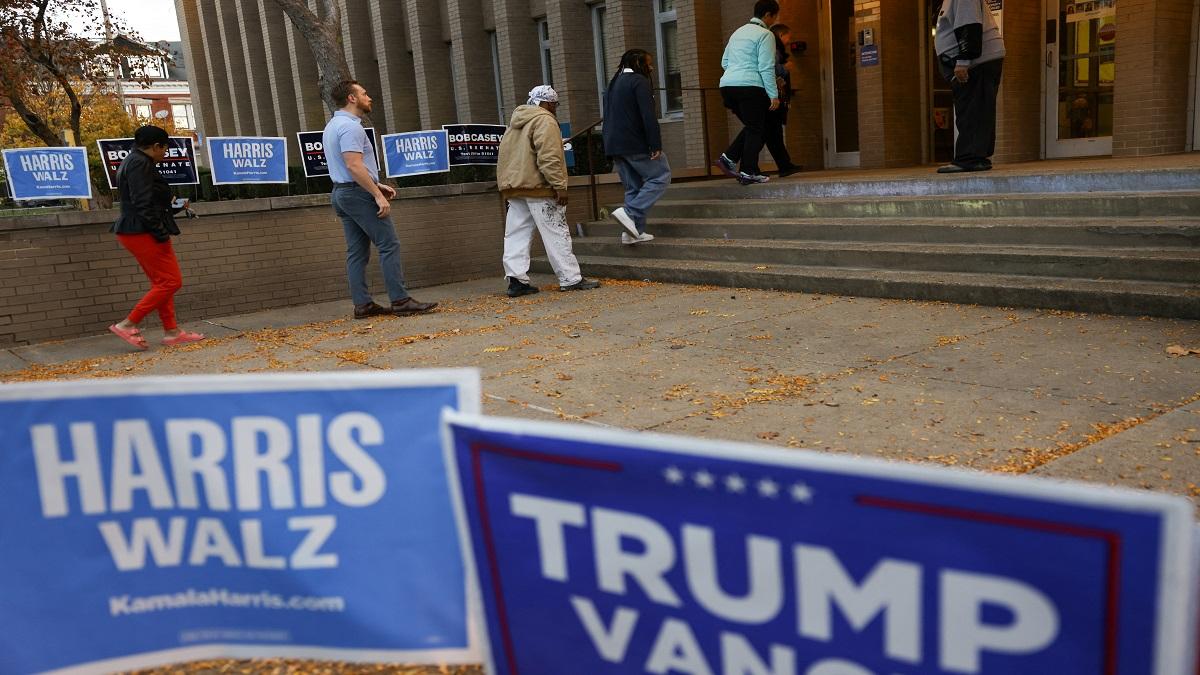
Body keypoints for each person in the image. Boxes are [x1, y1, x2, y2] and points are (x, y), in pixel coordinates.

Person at [324, 79, 437, 318]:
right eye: (364, 93)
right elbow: (353, 165)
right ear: (352, 98)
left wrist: (376, 184)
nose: (369, 97)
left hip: (341, 193)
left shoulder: (333, 125)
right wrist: (376, 195)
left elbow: (349, 167)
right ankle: (400, 300)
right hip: (357, 194)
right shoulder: (351, 127)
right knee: (389, 245)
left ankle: (362, 305)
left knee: (356, 252)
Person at [497, 85, 600, 297]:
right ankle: (570, 278)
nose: (555, 108)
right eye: (555, 104)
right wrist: (559, 186)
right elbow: (549, 157)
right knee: (556, 231)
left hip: (515, 187)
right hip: (539, 187)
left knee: (516, 234)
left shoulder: (515, 123)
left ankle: (516, 280)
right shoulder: (545, 120)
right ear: (548, 103)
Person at [108, 125, 204, 350]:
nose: (166, 153)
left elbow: (146, 200)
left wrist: (173, 206)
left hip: (136, 230)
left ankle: (172, 332)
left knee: (163, 284)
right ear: (155, 146)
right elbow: (143, 203)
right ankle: (127, 324)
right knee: (171, 281)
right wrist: (160, 232)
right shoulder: (141, 163)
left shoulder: (134, 161)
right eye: (165, 148)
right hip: (143, 231)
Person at [602, 49, 671, 245]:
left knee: (633, 187)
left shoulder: (614, 84)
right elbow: (647, 115)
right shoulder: (638, 82)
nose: (651, 67)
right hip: (635, 142)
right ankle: (629, 213)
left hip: (614, 144)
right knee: (660, 177)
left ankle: (632, 233)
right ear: (638, 64)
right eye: (648, 63)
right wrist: (655, 144)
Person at [934, 0, 1005, 173]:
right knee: (977, 108)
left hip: (975, 62)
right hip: (977, 62)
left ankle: (970, 158)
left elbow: (969, 24)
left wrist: (963, 60)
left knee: (973, 109)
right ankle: (977, 157)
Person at [715, 0, 781, 185]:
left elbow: (724, 62)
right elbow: (766, 67)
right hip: (750, 86)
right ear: (768, 15)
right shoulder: (765, 34)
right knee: (756, 128)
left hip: (728, 86)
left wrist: (737, 70)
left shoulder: (737, 32)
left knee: (755, 126)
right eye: (775, 16)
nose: (775, 20)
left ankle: (730, 158)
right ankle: (747, 170)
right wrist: (773, 95)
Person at [766, 23, 801, 178]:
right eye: (788, 37)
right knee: (771, 132)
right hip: (774, 95)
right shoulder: (774, 49)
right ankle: (784, 165)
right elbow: (772, 68)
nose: (789, 41)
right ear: (781, 35)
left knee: (773, 132)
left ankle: (785, 164)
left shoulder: (774, 48)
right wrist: (786, 67)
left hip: (773, 93)